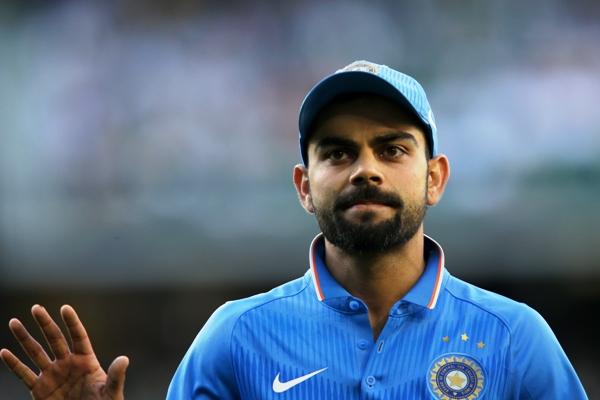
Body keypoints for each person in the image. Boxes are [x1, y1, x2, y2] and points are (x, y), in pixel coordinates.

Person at [1, 60, 588, 399]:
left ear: (434, 177)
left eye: (392, 149)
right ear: (305, 186)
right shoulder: (236, 338)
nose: (365, 169)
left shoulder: (513, 339)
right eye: (337, 153)